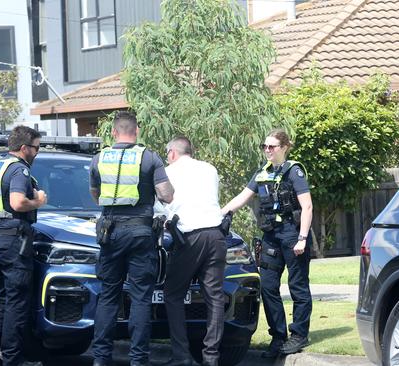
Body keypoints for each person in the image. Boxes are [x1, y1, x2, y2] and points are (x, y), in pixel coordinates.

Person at [89, 111, 174, 366]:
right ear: (136, 131)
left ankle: (101, 359)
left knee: (108, 295)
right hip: (140, 233)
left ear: (114, 132)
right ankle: (138, 360)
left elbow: (95, 194)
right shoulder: (148, 157)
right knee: (140, 298)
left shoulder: (99, 158)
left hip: (110, 232)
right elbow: (166, 195)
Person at [221, 128, 313, 358]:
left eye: (271, 146)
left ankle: (299, 335)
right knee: (268, 286)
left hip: (293, 234)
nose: (267, 150)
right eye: (264, 146)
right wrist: (220, 213)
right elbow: (242, 197)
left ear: (284, 148)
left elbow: (307, 207)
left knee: (297, 286)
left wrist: (302, 238)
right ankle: (278, 337)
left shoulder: (294, 172)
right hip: (271, 235)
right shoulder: (262, 172)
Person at [0, 126, 47, 366]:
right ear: (24, 148)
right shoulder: (19, 170)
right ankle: (13, 358)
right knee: (17, 300)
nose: (38, 152)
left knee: (0, 297)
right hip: (14, 241)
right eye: (37, 147)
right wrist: (37, 201)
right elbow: (17, 203)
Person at [157, 137, 227, 366]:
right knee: (214, 297)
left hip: (190, 237)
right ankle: (211, 357)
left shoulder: (168, 172)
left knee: (173, 293)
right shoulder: (210, 169)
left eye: (167, 153)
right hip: (216, 235)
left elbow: (162, 204)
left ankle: (181, 355)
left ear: (173, 153)